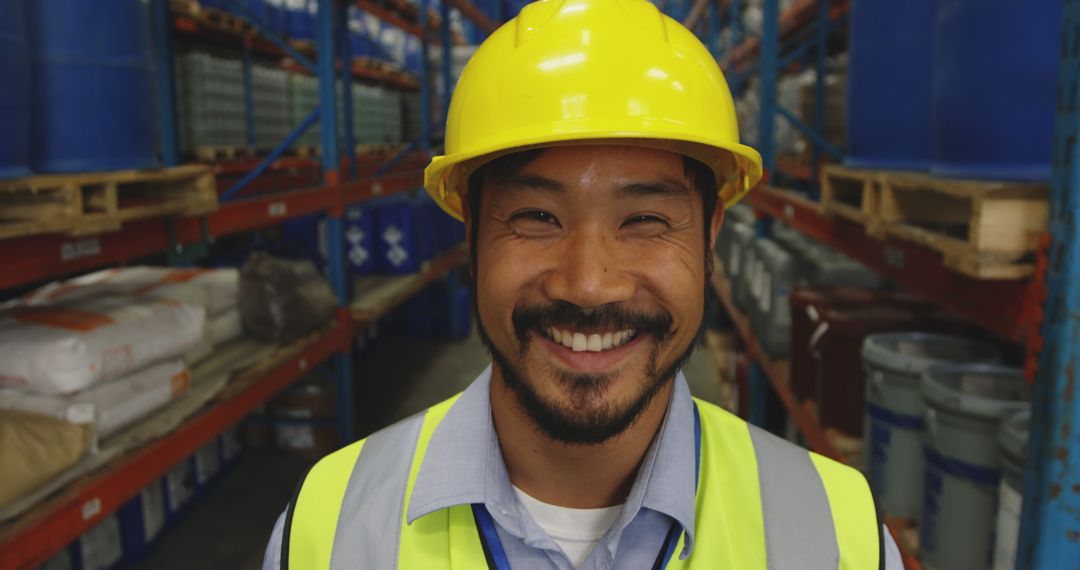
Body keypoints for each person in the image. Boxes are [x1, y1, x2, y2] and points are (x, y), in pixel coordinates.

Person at [264, 0, 903, 567]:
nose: (589, 285)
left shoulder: (841, 538)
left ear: (709, 235)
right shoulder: (327, 531)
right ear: (471, 236)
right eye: (536, 218)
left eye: (645, 220)